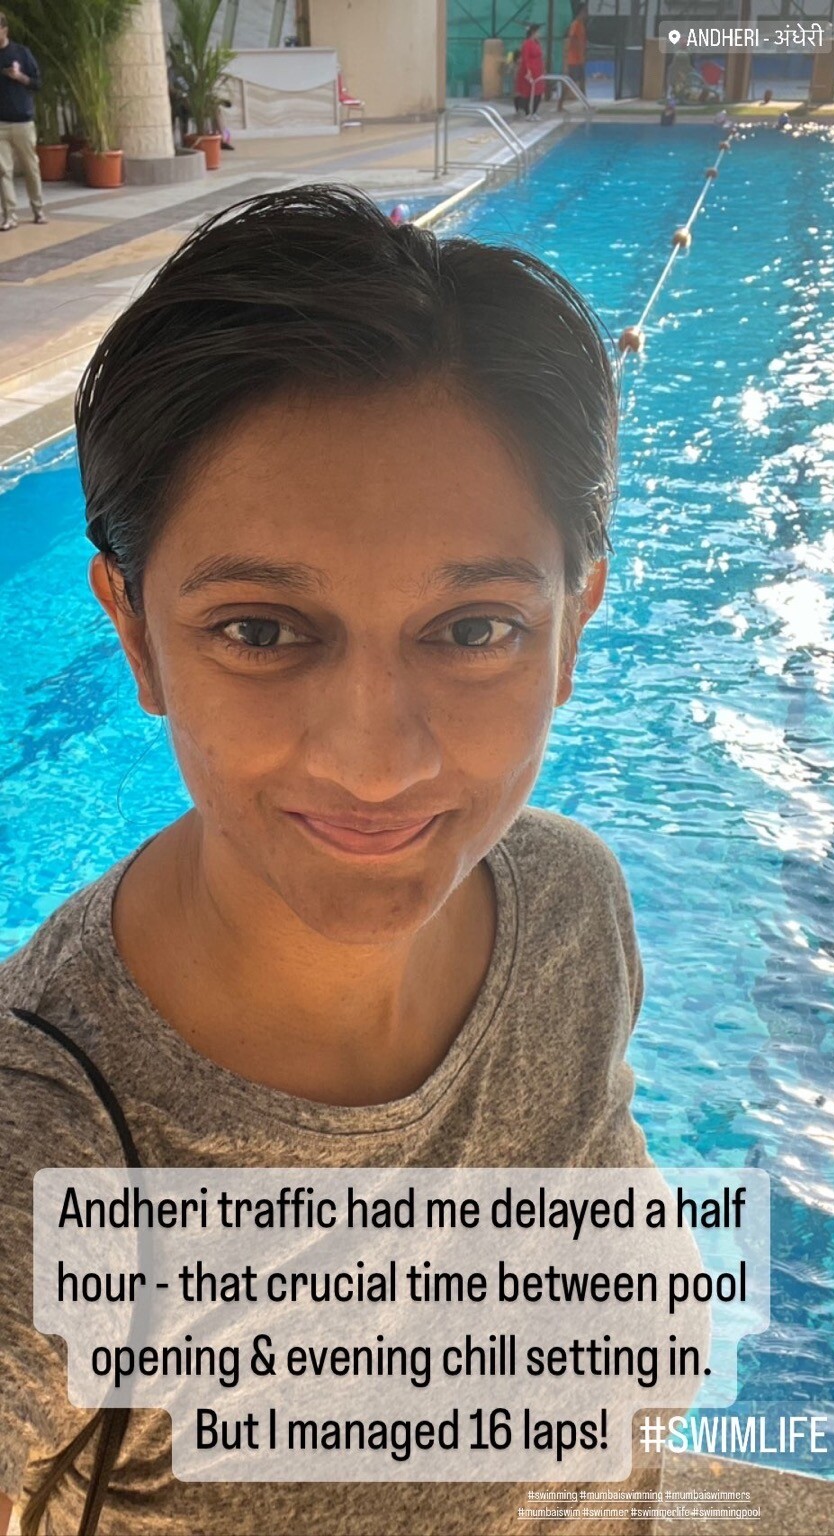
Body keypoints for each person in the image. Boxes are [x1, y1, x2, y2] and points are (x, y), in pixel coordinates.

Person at [0, 186, 673, 1535]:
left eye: (473, 629)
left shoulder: (566, 901)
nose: (376, 762)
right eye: (260, 630)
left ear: (573, 623)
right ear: (133, 633)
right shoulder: (47, 1156)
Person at [0, 10, 45, 232]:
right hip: (0, 123)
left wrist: (19, 77)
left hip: (23, 122)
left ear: (4, 30)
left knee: (31, 168)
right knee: (3, 171)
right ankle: (10, 215)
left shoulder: (21, 53)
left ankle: (38, 209)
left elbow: (37, 83)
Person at [514, 22, 544, 115]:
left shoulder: (537, 43)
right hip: (530, 70)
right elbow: (525, 58)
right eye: (538, 32)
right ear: (533, 32)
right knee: (527, 92)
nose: (539, 34)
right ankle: (527, 112)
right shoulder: (527, 43)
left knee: (538, 92)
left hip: (538, 70)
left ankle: (534, 112)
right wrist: (528, 71)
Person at [566, 3, 588, 98]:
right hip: (574, 59)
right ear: (580, 12)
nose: (586, 14)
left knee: (582, 79)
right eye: (585, 11)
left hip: (580, 58)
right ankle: (564, 100)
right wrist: (578, 48)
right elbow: (572, 38)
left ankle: (583, 98)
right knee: (572, 80)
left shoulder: (581, 25)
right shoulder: (576, 24)